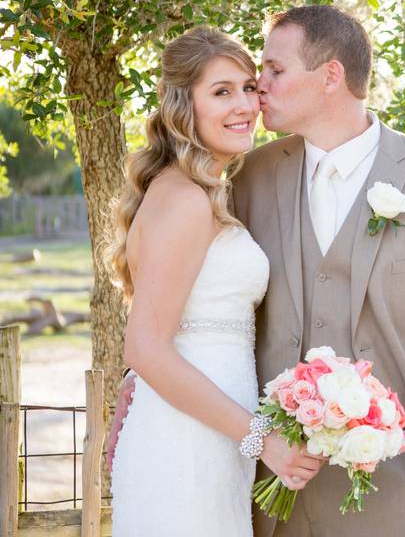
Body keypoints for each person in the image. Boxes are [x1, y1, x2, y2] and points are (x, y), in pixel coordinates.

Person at [231, 4, 405, 536]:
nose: (257, 86)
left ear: (331, 75)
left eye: (275, 70)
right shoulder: (249, 176)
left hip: (396, 488)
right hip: (270, 494)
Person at [106, 27, 323, 537]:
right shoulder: (182, 196)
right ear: (184, 108)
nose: (243, 104)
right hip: (184, 443)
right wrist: (263, 440)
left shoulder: (207, 191)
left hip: (216, 432)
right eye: (221, 92)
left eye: (249, 87)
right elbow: (146, 348)